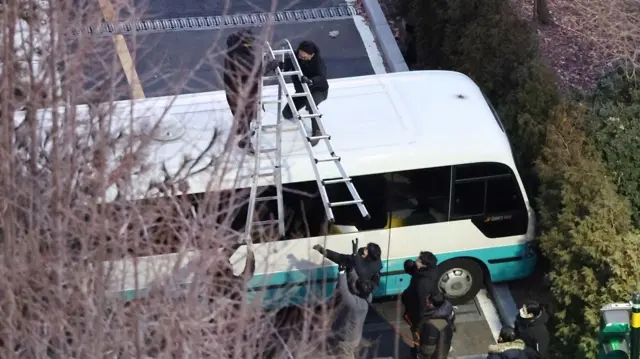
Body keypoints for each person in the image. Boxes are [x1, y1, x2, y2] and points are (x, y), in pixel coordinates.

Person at [223, 29, 279, 153]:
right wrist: (270, 65)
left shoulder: (233, 50)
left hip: (235, 90)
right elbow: (255, 72)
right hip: (241, 93)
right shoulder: (239, 55)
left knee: (244, 116)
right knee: (245, 116)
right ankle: (245, 143)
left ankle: (242, 132)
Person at [280, 40, 329, 146]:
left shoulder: (318, 62)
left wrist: (310, 81)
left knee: (311, 105)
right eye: (300, 55)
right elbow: (284, 67)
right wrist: (278, 65)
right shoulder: (295, 58)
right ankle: (304, 107)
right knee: (287, 113)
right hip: (301, 91)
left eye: (304, 57)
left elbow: (322, 79)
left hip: (318, 90)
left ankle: (317, 131)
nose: (301, 58)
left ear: (312, 55)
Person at [312, 238, 383, 297]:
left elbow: (362, 272)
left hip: (352, 296)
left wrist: (355, 255)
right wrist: (324, 251)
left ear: (369, 256)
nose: (364, 248)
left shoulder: (373, 269)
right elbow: (340, 257)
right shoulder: (356, 258)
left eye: (366, 249)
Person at [328, 266, 372, 359]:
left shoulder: (353, 304)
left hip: (346, 341)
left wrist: (341, 273)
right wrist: (351, 270)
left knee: (345, 355)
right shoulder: (367, 298)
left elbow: (343, 290)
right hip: (353, 337)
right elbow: (358, 283)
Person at [416, 292, 454, 359]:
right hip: (444, 349)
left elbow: (428, 349)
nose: (426, 301)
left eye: (428, 300)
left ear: (431, 304)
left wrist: (421, 354)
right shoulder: (447, 312)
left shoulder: (430, 324)